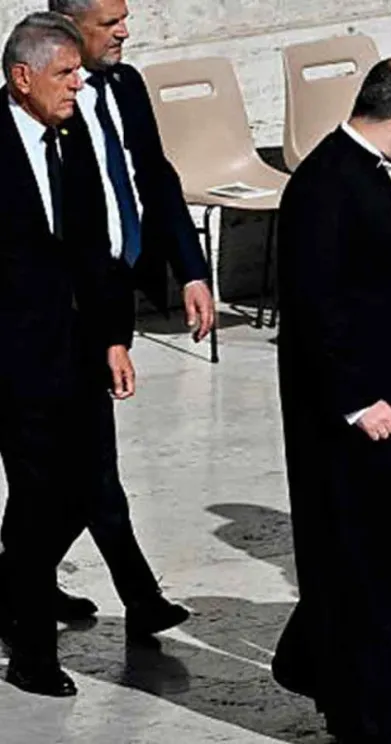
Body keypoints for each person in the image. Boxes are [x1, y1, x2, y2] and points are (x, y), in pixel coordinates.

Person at [272, 56, 391, 743]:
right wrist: (356, 401)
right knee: (362, 564)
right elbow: (315, 308)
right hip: (352, 423)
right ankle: (368, 717)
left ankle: (318, 661)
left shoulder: (364, 177)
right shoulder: (325, 185)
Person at [40, 0, 216, 634]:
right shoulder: (35, 110)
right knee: (85, 463)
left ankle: (23, 582)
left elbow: (153, 176)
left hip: (117, 283)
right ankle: (136, 597)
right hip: (64, 308)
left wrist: (192, 269)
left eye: (124, 17)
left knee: (77, 464)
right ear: (65, 25)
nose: (124, 30)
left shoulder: (127, 85)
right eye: (107, 21)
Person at [0, 11, 133, 697]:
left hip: (77, 353)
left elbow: (90, 249)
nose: (79, 84)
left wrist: (114, 337)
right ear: (23, 77)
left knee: (83, 491)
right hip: (12, 362)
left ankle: (12, 587)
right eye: (65, 73)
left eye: (80, 72)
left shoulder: (72, 133)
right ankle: (33, 653)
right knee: (34, 497)